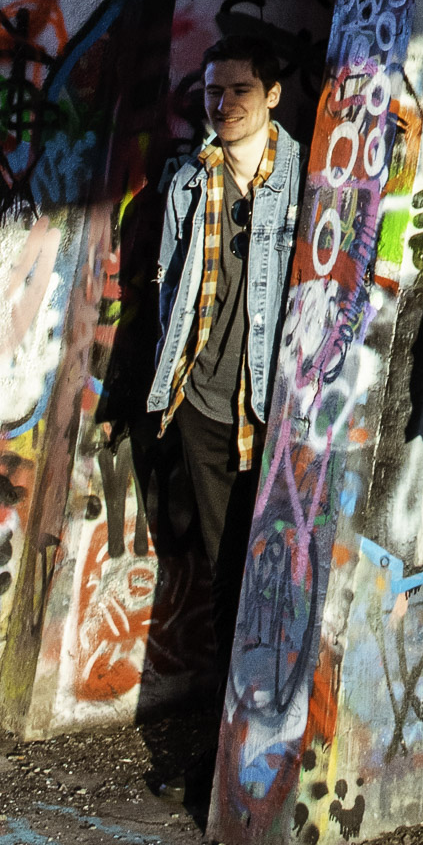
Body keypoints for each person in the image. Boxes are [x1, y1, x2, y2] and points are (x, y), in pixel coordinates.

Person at [148, 34, 303, 694]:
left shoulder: (306, 180)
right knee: (223, 565)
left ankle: (264, 712)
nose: (225, 103)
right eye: (215, 90)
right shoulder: (190, 181)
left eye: (241, 89)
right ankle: (225, 717)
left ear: (272, 94)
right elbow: (168, 289)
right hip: (206, 405)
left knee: (274, 565)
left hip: (273, 408)